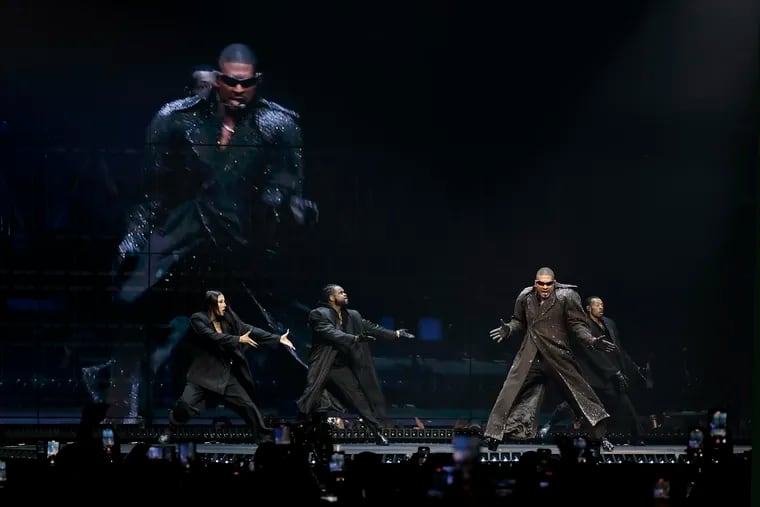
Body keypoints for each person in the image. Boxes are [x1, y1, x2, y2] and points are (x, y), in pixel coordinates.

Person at [94, 42, 320, 420]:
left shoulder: (279, 125)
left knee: (282, 330)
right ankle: (124, 412)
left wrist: (286, 208)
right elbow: (150, 193)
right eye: (229, 81)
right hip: (185, 238)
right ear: (218, 80)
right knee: (140, 313)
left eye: (244, 83)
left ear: (256, 82)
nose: (237, 89)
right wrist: (133, 241)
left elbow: (287, 186)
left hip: (245, 244)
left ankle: (314, 409)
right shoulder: (174, 120)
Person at [482, 267, 616, 451]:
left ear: (554, 282)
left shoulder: (567, 296)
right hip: (531, 355)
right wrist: (509, 329)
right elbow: (518, 321)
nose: (544, 287)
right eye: (541, 283)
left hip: (557, 354)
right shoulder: (526, 296)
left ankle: (599, 437)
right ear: (535, 283)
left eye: (548, 283)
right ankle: (493, 436)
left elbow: (577, 325)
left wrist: (592, 340)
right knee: (509, 392)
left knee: (580, 396)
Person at [165, 290, 295, 442]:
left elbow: (250, 330)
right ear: (211, 304)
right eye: (220, 302)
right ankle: (170, 428)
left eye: (224, 301)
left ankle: (265, 438)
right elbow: (212, 337)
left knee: (248, 407)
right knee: (185, 406)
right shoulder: (198, 319)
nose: (224, 305)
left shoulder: (229, 320)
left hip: (225, 376)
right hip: (203, 375)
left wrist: (278, 338)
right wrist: (239, 339)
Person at [296, 284, 415, 445]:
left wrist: (395, 334)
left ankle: (377, 433)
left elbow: (371, 327)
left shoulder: (352, 315)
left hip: (339, 368)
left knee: (359, 399)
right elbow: (330, 332)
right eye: (341, 292)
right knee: (309, 401)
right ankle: (297, 433)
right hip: (322, 365)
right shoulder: (318, 314)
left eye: (344, 292)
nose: (345, 294)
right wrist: (355, 338)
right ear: (331, 297)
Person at [539, 296, 646, 445]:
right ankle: (550, 424)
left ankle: (636, 436)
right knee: (575, 404)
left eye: (602, 305)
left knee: (623, 402)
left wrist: (633, 367)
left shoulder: (609, 324)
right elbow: (590, 353)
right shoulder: (582, 325)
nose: (601, 307)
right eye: (597, 305)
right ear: (588, 308)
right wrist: (613, 371)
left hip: (609, 375)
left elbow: (619, 350)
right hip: (590, 373)